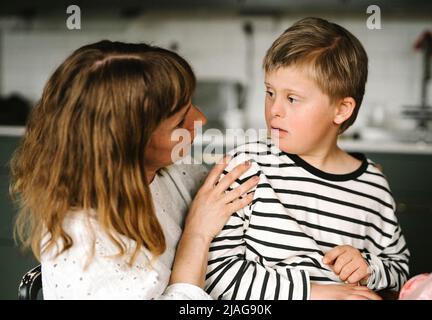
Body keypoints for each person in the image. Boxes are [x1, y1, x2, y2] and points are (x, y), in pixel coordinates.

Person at [10, 40, 259, 299]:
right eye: (180, 121)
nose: (201, 119)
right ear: (127, 146)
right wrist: (196, 235)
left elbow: (229, 199)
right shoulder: (85, 244)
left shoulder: (171, 170)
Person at [205, 17, 409, 300]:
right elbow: (214, 276)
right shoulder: (246, 167)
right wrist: (313, 293)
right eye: (270, 93)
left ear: (341, 110)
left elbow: (399, 270)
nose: (274, 109)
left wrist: (368, 267)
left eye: (292, 99)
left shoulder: (373, 186)